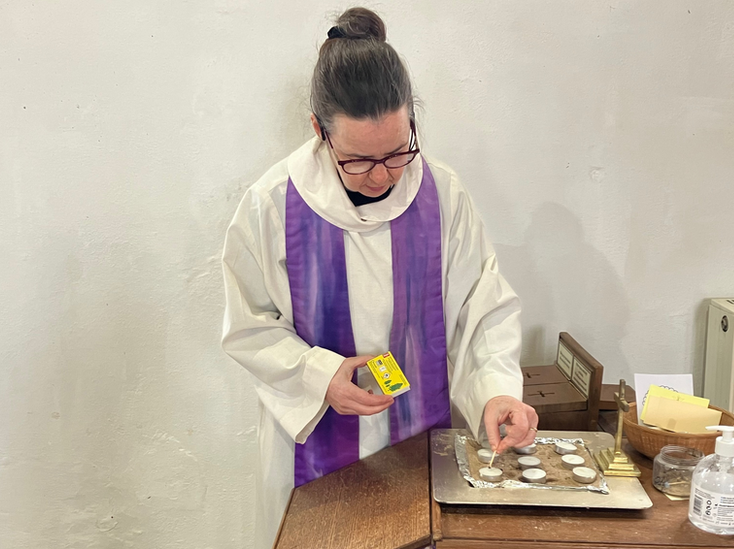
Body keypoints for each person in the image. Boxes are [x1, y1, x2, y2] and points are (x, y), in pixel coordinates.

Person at [221, 7, 538, 548]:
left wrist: (495, 392)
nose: (383, 176)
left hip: (420, 441)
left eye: (397, 152)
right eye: (359, 161)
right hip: (314, 451)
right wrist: (321, 374)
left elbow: (480, 310)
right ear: (320, 131)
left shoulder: (443, 193)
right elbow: (250, 328)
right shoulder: (271, 206)